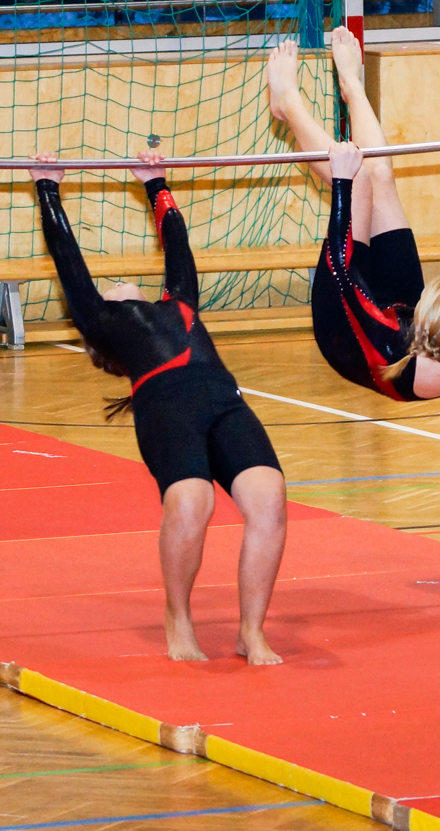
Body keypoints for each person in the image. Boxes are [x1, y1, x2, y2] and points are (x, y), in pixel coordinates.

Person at [32, 149, 287, 666]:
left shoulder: (179, 300)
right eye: (110, 287)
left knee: (270, 498)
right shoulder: (100, 320)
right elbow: (68, 260)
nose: (116, 282)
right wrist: (47, 187)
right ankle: (179, 617)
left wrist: (155, 184)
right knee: (193, 501)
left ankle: (251, 631)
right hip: (167, 411)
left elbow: (178, 247)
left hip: (224, 400)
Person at [265, 26, 440, 402]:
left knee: (359, 181)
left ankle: (287, 102)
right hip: (396, 306)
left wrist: (341, 182)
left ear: (425, 323)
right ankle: (352, 86)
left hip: (344, 317)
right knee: (381, 175)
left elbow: (342, 271)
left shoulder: (388, 341)